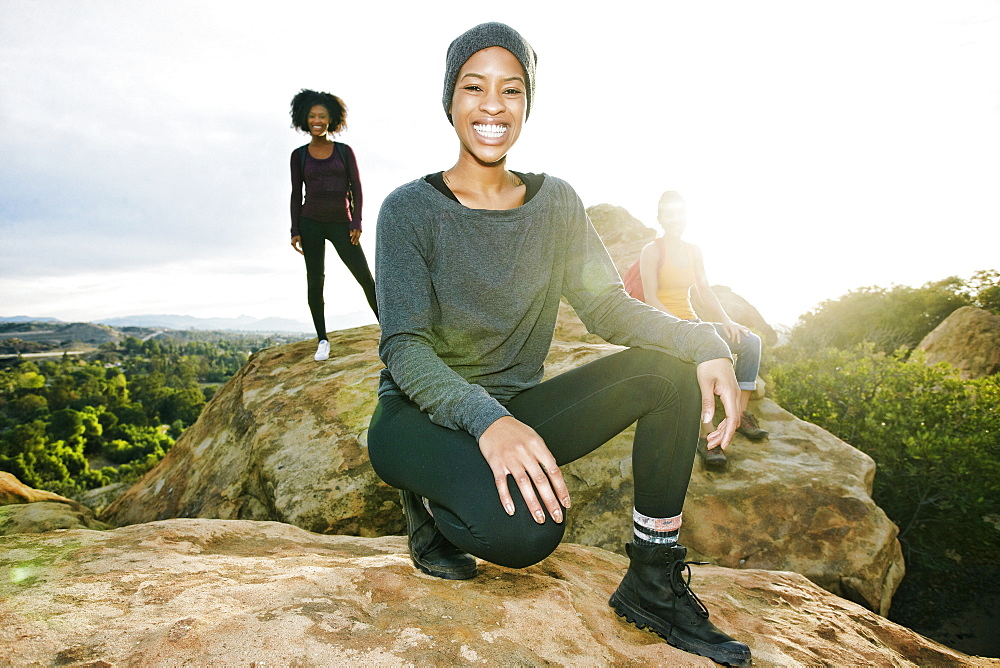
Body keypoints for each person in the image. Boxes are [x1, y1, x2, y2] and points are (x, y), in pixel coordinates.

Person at [366, 23, 751, 666]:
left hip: (515, 408)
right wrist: (488, 421)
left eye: (511, 90)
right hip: (416, 417)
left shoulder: (556, 204)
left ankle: (653, 581)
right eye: (474, 87)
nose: (493, 105)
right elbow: (403, 347)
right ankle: (430, 503)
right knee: (527, 534)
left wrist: (703, 339)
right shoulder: (407, 209)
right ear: (449, 99)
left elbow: (606, 306)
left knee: (668, 373)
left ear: (527, 104)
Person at [639, 191, 768, 469]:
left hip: (693, 323)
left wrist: (728, 320)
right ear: (661, 218)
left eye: (680, 213)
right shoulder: (652, 251)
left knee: (750, 342)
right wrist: (683, 328)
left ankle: (741, 414)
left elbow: (704, 290)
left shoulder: (693, 250)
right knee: (699, 360)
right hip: (666, 325)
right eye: (669, 214)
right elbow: (651, 298)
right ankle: (708, 437)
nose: (675, 219)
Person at [288, 89, 378, 362]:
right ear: (305, 119)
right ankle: (323, 340)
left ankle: (391, 331)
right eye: (312, 116)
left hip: (342, 223)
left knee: (365, 277)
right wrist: (295, 230)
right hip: (310, 223)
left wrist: (357, 220)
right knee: (315, 282)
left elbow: (356, 188)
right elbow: (296, 193)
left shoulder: (343, 151)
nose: (317, 121)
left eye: (322, 116)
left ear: (331, 120)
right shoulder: (299, 155)